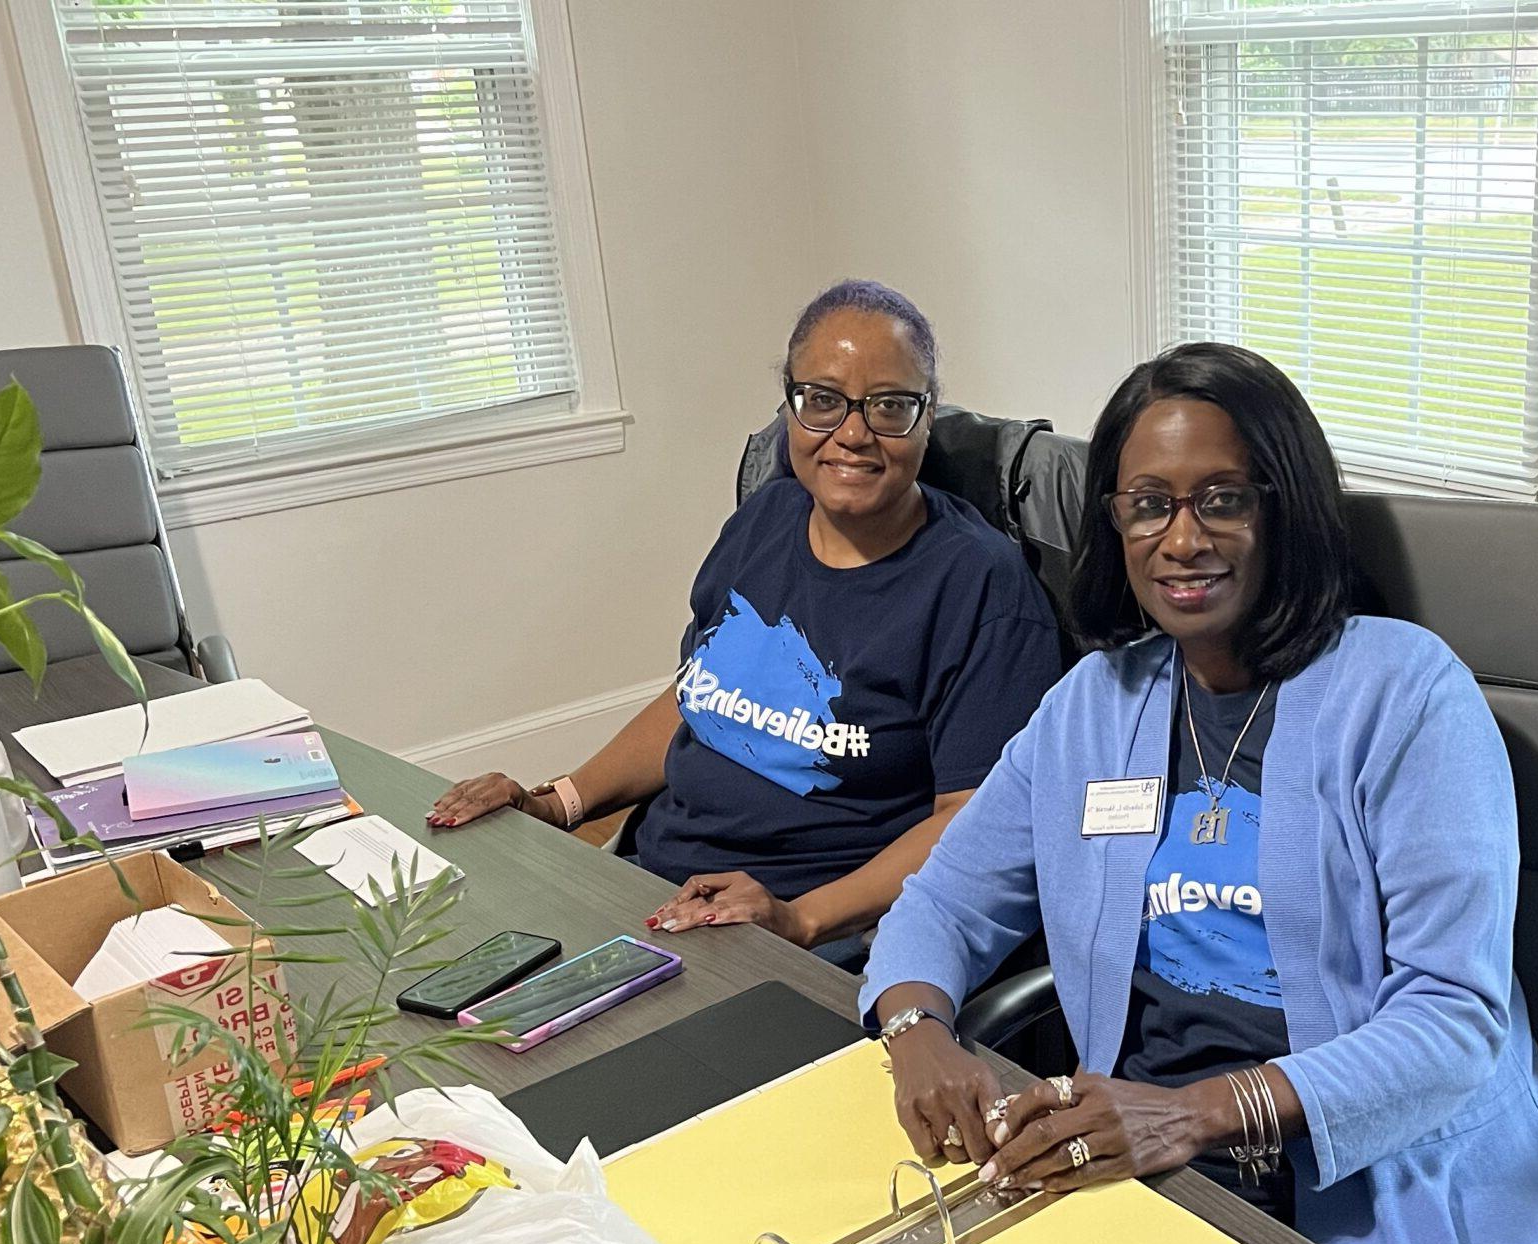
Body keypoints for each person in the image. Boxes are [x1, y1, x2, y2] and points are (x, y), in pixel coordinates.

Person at [860, 343, 1538, 1244]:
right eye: (1148, 504)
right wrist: (915, 1027)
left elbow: (1451, 1022)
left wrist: (1195, 1115)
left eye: (1222, 500)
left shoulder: (1406, 695)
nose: (1182, 539)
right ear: (1112, 524)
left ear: (1282, 509)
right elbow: (945, 904)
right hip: (1158, 1173)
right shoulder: (1091, 707)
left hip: (1405, 1198)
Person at [429, 281, 1064, 966]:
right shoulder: (767, 520)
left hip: (807, 936)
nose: (852, 434)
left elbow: (972, 819)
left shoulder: (980, 586)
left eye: (889, 406)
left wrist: (797, 919)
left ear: (927, 416)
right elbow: (699, 696)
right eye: (822, 401)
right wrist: (560, 803)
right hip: (653, 889)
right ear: (790, 406)